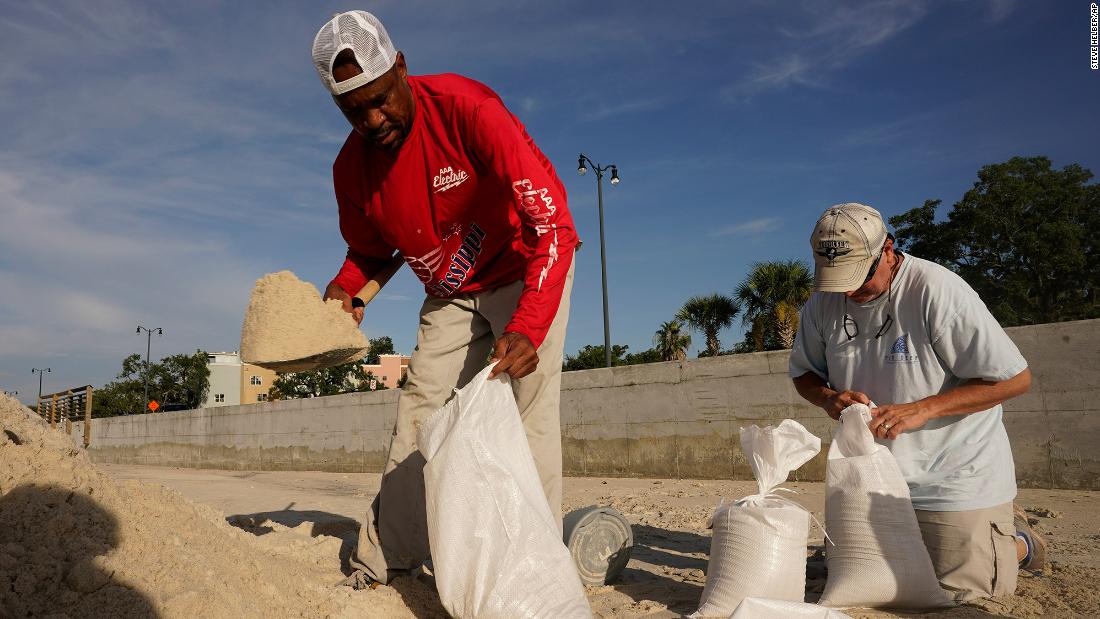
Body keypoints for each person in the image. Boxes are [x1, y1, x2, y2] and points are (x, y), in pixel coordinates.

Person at [310, 11, 578, 587]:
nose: (373, 119)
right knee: (418, 419)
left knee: (526, 415)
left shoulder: (468, 110)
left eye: (380, 99)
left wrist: (528, 324)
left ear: (400, 67)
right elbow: (368, 252)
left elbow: (552, 224)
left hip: (523, 272)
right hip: (451, 295)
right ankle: (390, 560)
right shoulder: (351, 170)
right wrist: (346, 292)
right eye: (354, 111)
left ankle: (533, 571)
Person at [789, 202, 1046, 602]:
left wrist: (922, 408)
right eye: (840, 280)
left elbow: (1015, 379)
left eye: (860, 276)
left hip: (953, 477)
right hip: (871, 479)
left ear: (888, 250)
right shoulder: (822, 303)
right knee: (867, 580)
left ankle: (1019, 545)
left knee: (957, 594)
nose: (850, 290)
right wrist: (829, 399)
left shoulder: (937, 290)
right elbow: (803, 374)